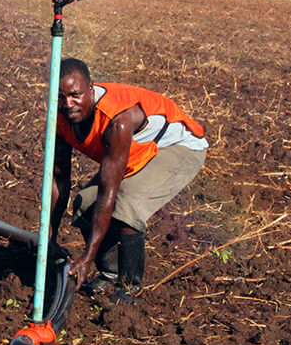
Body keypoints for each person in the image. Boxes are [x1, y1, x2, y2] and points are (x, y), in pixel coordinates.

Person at [49, 57, 207, 303]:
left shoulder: (117, 119)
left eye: (75, 95)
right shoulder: (59, 117)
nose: (68, 104)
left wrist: (86, 257)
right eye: (61, 97)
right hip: (139, 151)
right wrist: (49, 239)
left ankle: (130, 288)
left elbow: (109, 192)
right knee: (85, 203)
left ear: (90, 90)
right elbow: (59, 180)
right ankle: (111, 271)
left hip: (179, 147)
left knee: (127, 205)